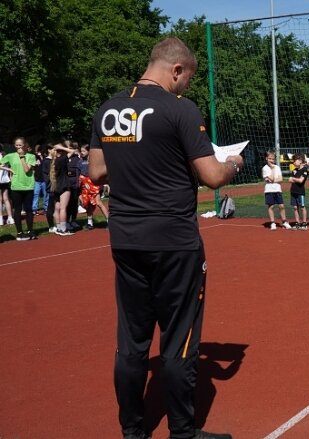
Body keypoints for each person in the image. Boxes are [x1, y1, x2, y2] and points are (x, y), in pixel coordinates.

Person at [88, 37, 241, 439]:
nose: (185, 87)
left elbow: (97, 171)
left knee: (133, 339)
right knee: (179, 337)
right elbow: (211, 176)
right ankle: (182, 432)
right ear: (176, 69)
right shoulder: (179, 109)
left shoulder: (108, 109)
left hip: (125, 238)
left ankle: (132, 432)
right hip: (174, 240)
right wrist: (233, 164)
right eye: (186, 79)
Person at [0, 137, 38, 239]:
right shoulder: (10, 156)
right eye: (16, 145)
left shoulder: (31, 156)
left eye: (20, 145)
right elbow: (0, 164)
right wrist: (8, 168)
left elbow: (26, 170)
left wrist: (22, 157)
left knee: (29, 209)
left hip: (28, 186)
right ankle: (20, 232)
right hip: (16, 186)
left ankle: (30, 230)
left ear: (25, 145)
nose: (18, 147)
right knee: (17, 209)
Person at [78, 145, 109, 230]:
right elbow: (78, 174)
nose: (82, 153)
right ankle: (90, 223)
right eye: (81, 151)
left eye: (84, 151)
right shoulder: (80, 162)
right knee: (88, 205)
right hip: (85, 186)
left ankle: (109, 221)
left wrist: (102, 184)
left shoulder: (94, 161)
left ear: (88, 151)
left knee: (98, 203)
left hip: (94, 184)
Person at [49, 143, 76, 236]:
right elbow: (73, 151)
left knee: (57, 208)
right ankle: (64, 229)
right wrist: (61, 147)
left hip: (56, 186)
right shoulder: (61, 159)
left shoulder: (52, 161)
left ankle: (59, 227)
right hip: (64, 185)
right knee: (63, 208)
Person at [261, 150, 291, 231]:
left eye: (273, 159)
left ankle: (284, 221)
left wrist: (274, 179)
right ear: (266, 158)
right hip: (269, 190)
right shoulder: (265, 168)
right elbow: (272, 178)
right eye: (270, 158)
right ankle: (272, 222)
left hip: (277, 189)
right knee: (271, 206)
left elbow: (281, 179)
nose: (271, 160)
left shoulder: (277, 167)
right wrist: (272, 169)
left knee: (281, 206)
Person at [288, 153, 309, 230]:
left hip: (300, 192)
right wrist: (293, 179)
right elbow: (290, 180)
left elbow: (301, 180)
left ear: (300, 161)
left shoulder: (304, 170)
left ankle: (304, 223)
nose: (293, 162)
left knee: (302, 207)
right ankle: (297, 223)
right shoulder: (294, 170)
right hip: (293, 191)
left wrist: (293, 179)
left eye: (294, 160)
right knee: (295, 207)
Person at [32, 144, 49, 215]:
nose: (38, 152)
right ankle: (34, 208)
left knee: (46, 194)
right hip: (37, 180)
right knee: (36, 194)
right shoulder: (34, 158)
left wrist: (41, 157)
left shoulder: (45, 158)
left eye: (39, 151)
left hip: (44, 180)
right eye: (36, 151)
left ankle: (46, 208)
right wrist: (35, 163)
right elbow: (31, 165)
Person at [0, 148, 12, 226]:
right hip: (5, 180)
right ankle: (10, 217)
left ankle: (1, 219)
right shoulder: (5, 155)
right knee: (6, 199)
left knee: (0, 200)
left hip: (1, 179)